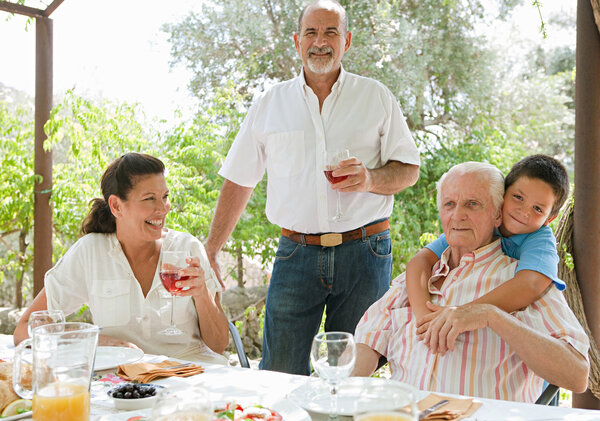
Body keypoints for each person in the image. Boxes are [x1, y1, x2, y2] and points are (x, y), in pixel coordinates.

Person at [205, 0, 420, 375]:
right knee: (279, 373)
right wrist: (211, 249)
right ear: (297, 41)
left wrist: (370, 179)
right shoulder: (270, 104)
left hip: (366, 253)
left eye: (330, 32)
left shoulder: (376, 97)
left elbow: (409, 170)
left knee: (352, 375)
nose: (320, 41)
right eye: (311, 32)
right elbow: (240, 178)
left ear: (347, 40)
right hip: (296, 254)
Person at [352, 162, 589, 402]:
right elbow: (368, 339)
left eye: (472, 204)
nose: (458, 215)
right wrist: (338, 401)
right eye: (449, 204)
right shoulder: (417, 279)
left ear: (498, 213)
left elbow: (578, 376)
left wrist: (492, 316)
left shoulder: (524, 278)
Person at [14, 153, 229, 364]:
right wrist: (90, 341)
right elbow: (24, 329)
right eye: (149, 199)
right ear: (116, 206)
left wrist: (202, 295)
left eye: (165, 197)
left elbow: (219, 344)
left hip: (191, 376)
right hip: (125, 385)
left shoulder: (187, 248)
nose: (163, 208)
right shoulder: (90, 252)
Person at [406, 155, 570, 345]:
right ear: (502, 196)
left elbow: (531, 284)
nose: (524, 212)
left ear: (549, 219)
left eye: (538, 209)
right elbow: (420, 262)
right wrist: (424, 317)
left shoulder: (539, 240)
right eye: (518, 198)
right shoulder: (480, 223)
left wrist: (462, 313)